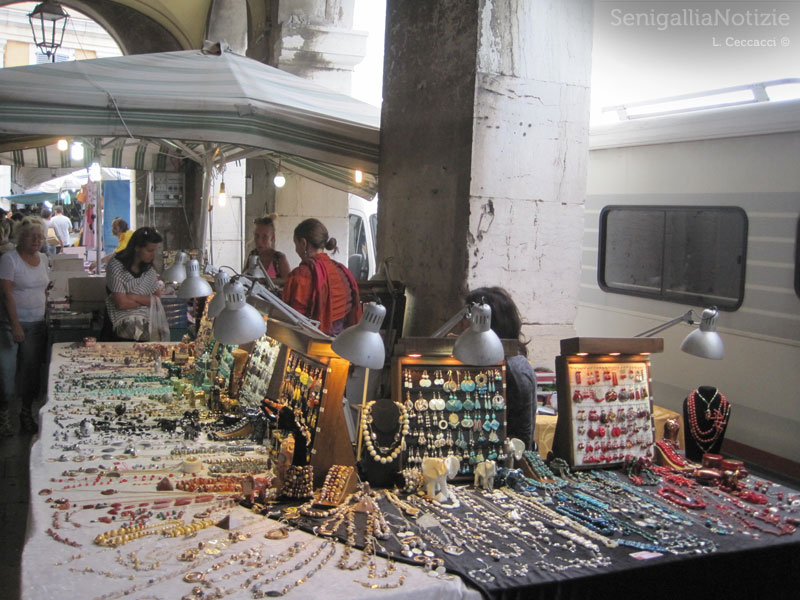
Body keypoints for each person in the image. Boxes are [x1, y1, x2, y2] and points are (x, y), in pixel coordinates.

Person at [464, 286, 537, 449]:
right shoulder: (507, 363)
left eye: (469, 321)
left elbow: (520, 438)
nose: (463, 328)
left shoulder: (512, 368)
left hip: (508, 460)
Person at [0, 218, 50, 435]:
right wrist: (15, 324)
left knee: (30, 375)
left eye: (40, 237)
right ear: (21, 237)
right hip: (12, 326)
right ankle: (4, 416)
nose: (37, 240)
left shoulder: (44, 258)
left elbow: (43, 288)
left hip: (37, 322)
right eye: (32, 236)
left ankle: (26, 415)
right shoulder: (9, 259)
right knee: (7, 375)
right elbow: (6, 293)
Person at [282, 218, 362, 336]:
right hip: (343, 343)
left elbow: (293, 319)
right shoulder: (343, 272)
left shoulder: (300, 275)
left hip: (312, 344)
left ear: (303, 243)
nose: (296, 250)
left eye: (296, 244)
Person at [105, 226, 164, 341]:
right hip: (119, 332)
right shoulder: (116, 266)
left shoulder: (148, 270)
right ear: (137, 247)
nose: (153, 255)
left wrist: (133, 297)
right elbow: (122, 303)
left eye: (155, 250)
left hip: (144, 329)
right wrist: (146, 301)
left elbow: (157, 299)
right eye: (150, 250)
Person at [246, 215, 290, 279]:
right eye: (257, 236)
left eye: (265, 236)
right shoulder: (253, 255)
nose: (259, 241)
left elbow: (289, 283)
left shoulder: (279, 259)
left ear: (272, 237)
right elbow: (243, 278)